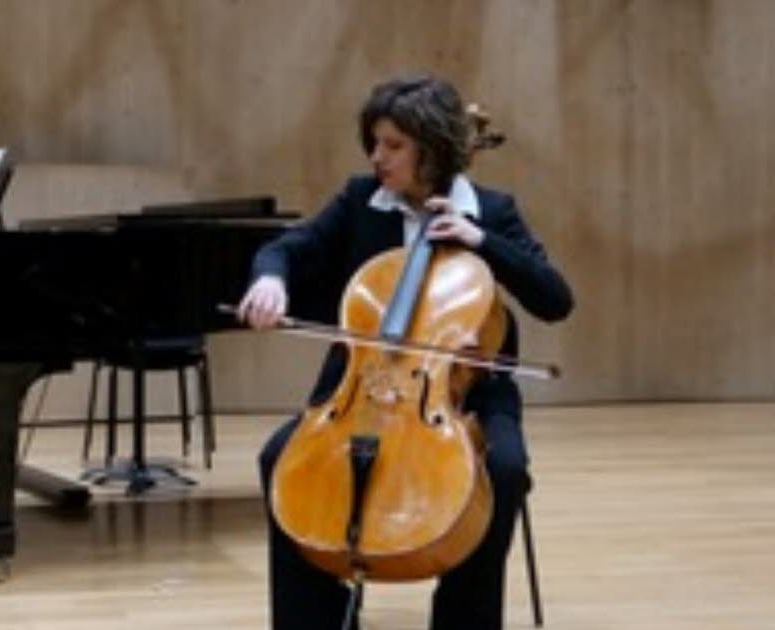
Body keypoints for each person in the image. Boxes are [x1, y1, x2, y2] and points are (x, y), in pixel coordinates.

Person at [236, 75, 574, 630]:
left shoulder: (492, 211)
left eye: (393, 146)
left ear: (433, 149)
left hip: (466, 394)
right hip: (359, 389)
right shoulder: (360, 202)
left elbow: (555, 298)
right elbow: (285, 248)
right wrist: (270, 280)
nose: (377, 157)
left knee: (503, 470)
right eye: (373, 143)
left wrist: (483, 242)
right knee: (280, 458)